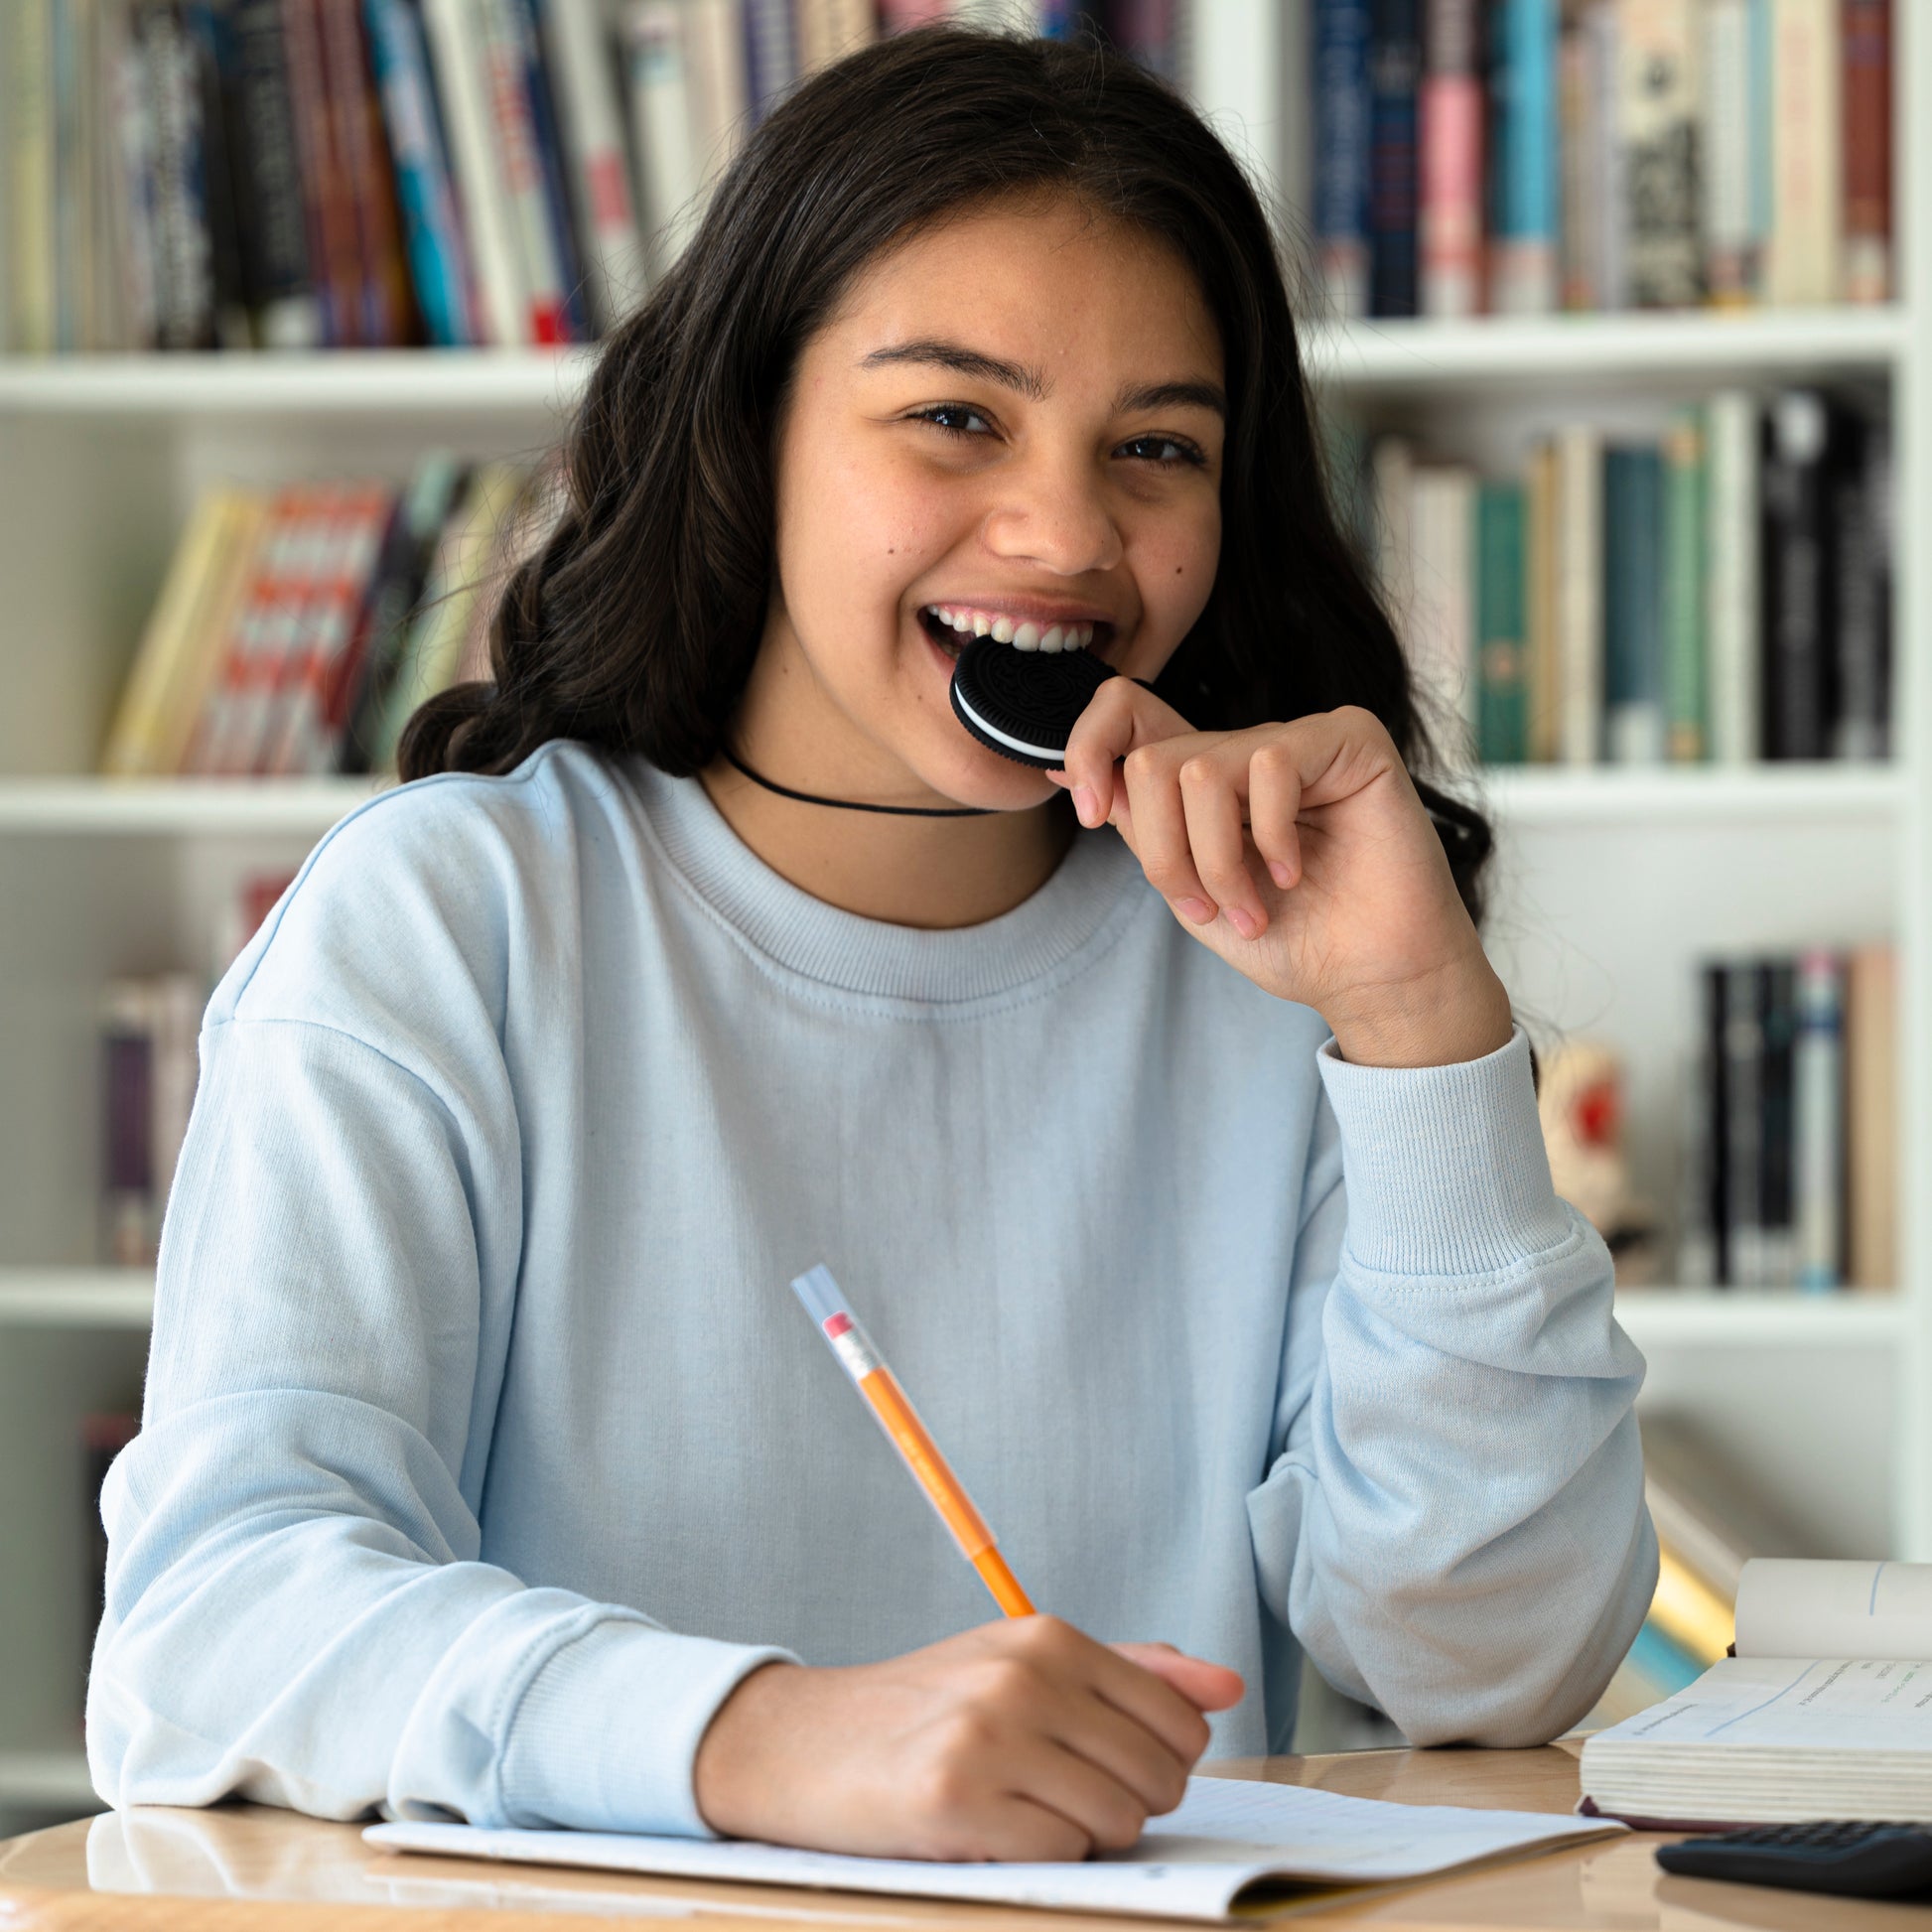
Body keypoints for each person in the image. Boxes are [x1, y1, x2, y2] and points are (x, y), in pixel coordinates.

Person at [86, 27, 1654, 1863]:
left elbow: (1491, 1665)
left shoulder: (1270, 968)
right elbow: (210, 1626)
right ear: (748, 429)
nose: (1066, 532)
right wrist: (756, 1738)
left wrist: (1414, 1030)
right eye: (954, 415)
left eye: (1157, 446)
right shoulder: (452, 924)